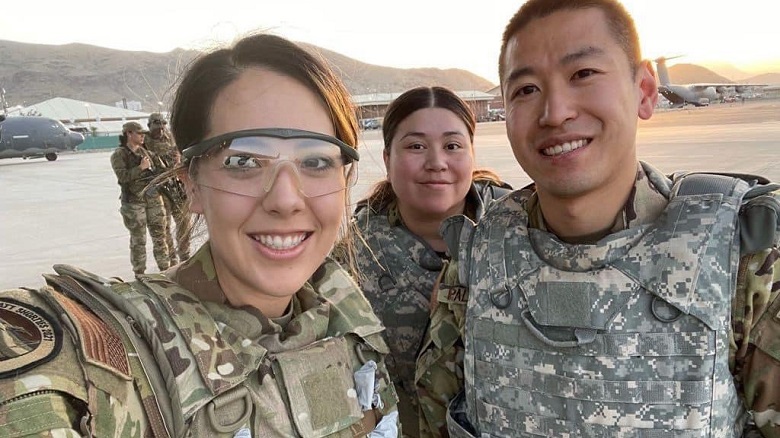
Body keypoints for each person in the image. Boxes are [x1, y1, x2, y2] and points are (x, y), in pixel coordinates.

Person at [0, 33, 400, 437]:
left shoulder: (349, 316)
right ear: (191, 183)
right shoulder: (106, 357)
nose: (285, 199)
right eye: (243, 160)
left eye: (316, 161)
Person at [444, 1, 780, 437]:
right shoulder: (479, 256)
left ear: (644, 90)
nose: (555, 112)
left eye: (582, 74)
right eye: (526, 89)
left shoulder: (746, 258)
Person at [351, 86, 511, 437]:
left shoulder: (520, 234)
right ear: (388, 157)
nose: (436, 162)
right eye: (416, 146)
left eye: (452, 146)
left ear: (471, 154)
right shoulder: (353, 255)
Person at [110, 120, 170, 276]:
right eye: (139, 133)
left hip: (153, 199)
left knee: (160, 236)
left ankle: (165, 270)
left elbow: (163, 172)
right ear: (129, 134)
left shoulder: (147, 153)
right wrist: (140, 168)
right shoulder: (119, 155)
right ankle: (140, 273)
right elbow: (122, 177)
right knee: (139, 240)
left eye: (144, 134)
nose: (143, 136)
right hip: (134, 202)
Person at [145, 111, 192, 264]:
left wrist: (180, 160)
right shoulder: (144, 142)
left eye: (162, 125)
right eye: (156, 125)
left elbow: (184, 156)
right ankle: (171, 259)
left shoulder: (171, 138)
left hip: (176, 186)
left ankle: (185, 255)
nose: (160, 129)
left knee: (184, 222)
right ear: (149, 126)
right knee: (163, 226)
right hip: (159, 190)